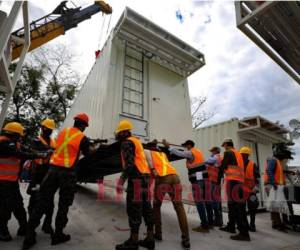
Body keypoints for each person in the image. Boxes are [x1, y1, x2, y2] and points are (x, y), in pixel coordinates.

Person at [23, 113, 95, 250]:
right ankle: (58, 234)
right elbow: (88, 154)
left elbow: (64, 148)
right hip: (67, 173)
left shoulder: (62, 133)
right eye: (85, 126)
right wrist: (92, 145)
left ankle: (29, 235)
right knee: (64, 204)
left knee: (42, 200)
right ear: (83, 125)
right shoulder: (82, 137)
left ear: (75, 122)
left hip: (52, 170)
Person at [0, 122, 46, 241]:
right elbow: (19, 154)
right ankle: (2, 232)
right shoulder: (3, 142)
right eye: (19, 135)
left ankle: (23, 228)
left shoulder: (15, 143)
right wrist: (38, 155)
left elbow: (27, 150)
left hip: (12, 182)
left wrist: (40, 153)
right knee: (4, 209)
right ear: (13, 134)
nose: (20, 137)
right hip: (2, 183)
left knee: (19, 206)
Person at [115, 120, 155, 250]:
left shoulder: (126, 143)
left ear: (124, 132)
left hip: (136, 179)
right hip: (145, 178)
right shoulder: (137, 141)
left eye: (119, 133)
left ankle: (133, 242)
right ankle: (150, 239)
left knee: (134, 209)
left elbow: (130, 164)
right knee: (146, 208)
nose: (118, 135)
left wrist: (121, 180)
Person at [144, 140, 190, 249]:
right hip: (175, 177)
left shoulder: (146, 151)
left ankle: (158, 233)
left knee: (156, 206)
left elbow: (151, 167)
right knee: (179, 208)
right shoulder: (163, 154)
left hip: (163, 178)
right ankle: (186, 239)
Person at [163, 139, 211, 233]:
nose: (185, 147)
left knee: (199, 202)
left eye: (185, 145)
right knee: (206, 201)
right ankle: (209, 223)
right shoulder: (198, 152)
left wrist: (168, 147)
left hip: (198, 181)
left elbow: (179, 154)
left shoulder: (191, 153)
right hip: (204, 179)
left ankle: (204, 226)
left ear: (189, 145)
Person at [27, 118, 57, 235]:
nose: (48, 131)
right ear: (42, 128)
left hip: (49, 174)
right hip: (37, 175)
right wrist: (51, 150)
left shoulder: (53, 141)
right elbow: (34, 150)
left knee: (50, 202)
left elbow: (56, 151)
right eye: (46, 129)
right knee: (34, 201)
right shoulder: (36, 140)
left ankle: (47, 225)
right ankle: (31, 227)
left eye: (50, 129)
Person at [219, 138, 250, 241]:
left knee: (237, 207)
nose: (224, 147)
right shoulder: (237, 154)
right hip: (239, 182)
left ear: (227, 145)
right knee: (233, 205)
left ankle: (244, 233)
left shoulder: (228, 152)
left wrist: (219, 165)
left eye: (224, 145)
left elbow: (223, 166)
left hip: (233, 181)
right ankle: (231, 226)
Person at [264, 143, 293, 232]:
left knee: (277, 205)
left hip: (276, 185)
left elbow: (278, 172)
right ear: (282, 156)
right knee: (275, 205)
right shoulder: (273, 160)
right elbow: (269, 170)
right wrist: (274, 184)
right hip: (271, 185)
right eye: (286, 158)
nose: (287, 160)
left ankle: (277, 223)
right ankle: (278, 224)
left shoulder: (278, 162)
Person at [240, 147, 260, 232]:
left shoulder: (252, 164)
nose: (242, 156)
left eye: (244, 155)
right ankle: (246, 224)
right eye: (242, 155)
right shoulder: (239, 164)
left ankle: (252, 224)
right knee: (242, 208)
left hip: (251, 191)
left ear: (247, 155)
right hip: (242, 190)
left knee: (253, 207)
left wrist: (256, 187)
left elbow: (257, 177)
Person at [205, 146, 223, 227]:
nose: (211, 152)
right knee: (215, 201)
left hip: (213, 181)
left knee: (212, 201)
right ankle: (218, 221)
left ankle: (214, 220)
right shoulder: (217, 158)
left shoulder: (216, 157)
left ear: (216, 151)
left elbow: (207, 161)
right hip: (215, 181)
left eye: (212, 151)